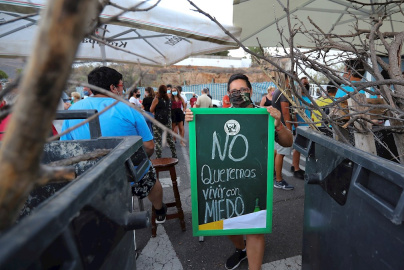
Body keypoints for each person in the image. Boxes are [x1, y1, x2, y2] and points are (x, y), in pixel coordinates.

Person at [185, 73, 293, 270]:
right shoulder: (218, 116)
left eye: (243, 90)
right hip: (225, 183)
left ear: (250, 91)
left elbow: (288, 142)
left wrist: (278, 124)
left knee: (255, 229)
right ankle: (240, 249)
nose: (239, 94)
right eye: (234, 91)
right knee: (227, 224)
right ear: (228, 94)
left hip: (255, 182)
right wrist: (193, 118)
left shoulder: (265, 115)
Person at [60, 66, 167, 224]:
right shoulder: (129, 109)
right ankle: (159, 210)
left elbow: (65, 146)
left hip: (88, 177)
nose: (122, 89)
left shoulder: (73, 111)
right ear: (113, 87)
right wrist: (144, 159)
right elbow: (149, 147)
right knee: (150, 176)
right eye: (121, 85)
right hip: (128, 174)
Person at [271, 72, 296, 190]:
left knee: (276, 151)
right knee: (281, 154)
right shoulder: (284, 92)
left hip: (277, 127)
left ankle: (273, 174)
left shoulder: (277, 90)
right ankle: (279, 180)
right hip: (282, 128)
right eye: (291, 79)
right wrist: (289, 131)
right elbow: (286, 113)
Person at [290, 77, 311, 179]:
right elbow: (293, 114)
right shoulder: (296, 99)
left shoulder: (308, 98)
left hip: (308, 127)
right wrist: (296, 126)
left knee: (302, 148)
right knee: (297, 149)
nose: (305, 85)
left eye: (306, 83)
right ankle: (296, 169)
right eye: (303, 83)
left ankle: (294, 165)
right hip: (299, 127)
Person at [150, 85, 177, 158]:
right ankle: (174, 155)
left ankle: (158, 156)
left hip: (157, 122)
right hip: (167, 121)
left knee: (158, 140)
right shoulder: (168, 99)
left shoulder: (157, 99)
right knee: (170, 139)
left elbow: (151, 110)